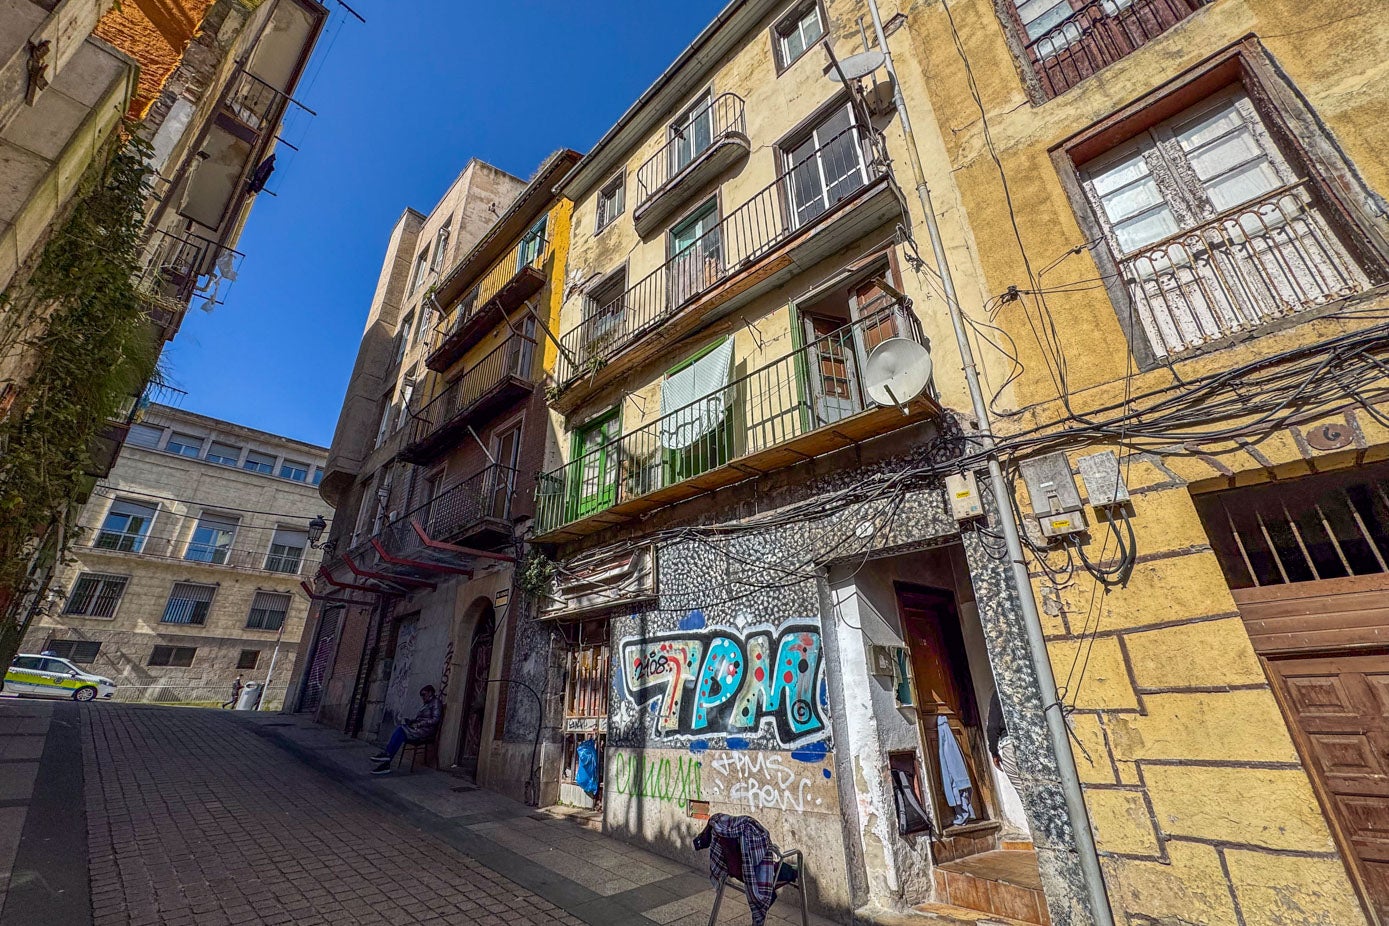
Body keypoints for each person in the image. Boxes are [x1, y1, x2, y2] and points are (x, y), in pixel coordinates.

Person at [370, 685, 442, 775]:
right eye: (421, 695)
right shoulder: (427, 704)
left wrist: (419, 724)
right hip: (419, 729)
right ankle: (386, 760)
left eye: (424, 694)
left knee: (400, 730)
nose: (422, 697)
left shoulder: (436, 702)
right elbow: (421, 718)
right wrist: (412, 721)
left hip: (425, 731)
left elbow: (435, 719)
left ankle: (387, 758)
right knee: (400, 732)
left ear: (430, 693)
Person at [986, 691, 1024, 795]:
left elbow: (993, 727)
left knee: (1024, 793)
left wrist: (994, 752)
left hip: (1010, 745)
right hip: (1037, 740)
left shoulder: (1000, 692)